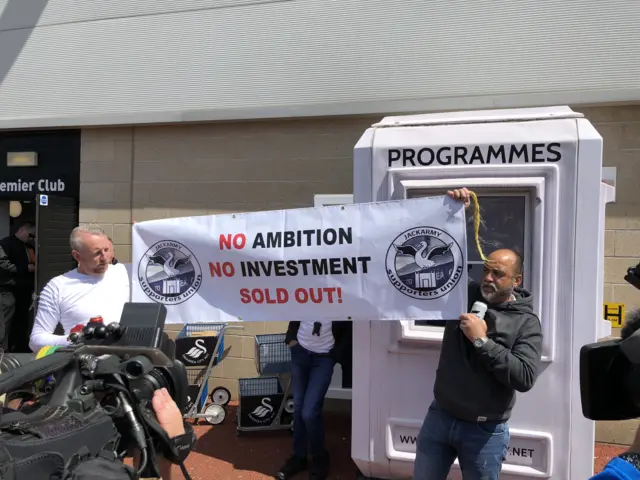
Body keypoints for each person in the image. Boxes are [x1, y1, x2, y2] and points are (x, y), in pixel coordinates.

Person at [413, 187, 544, 480]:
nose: (488, 277)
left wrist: (482, 341)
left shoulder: (527, 323)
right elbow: (441, 256)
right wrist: (453, 211)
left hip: (484, 431)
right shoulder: (464, 294)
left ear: (516, 280)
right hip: (440, 417)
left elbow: (523, 377)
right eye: (486, 270)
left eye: (498, 274)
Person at [29, 225, 130, 352]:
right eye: (97, 253)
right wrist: (77, 337)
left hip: (130, 363)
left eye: (106, 250)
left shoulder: (125, 272)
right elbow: (36, 340)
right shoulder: (58, 286)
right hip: (86, 365)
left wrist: (145, 233)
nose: (105, 258)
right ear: (77, 256)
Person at [276, 319, 352, 480]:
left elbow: (349, 326)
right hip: (300, 353)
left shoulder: (340, 297)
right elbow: (294, 314)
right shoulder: (305, 294)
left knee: (309, 412)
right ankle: (299, 457)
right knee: (298, 409)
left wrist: (335, 354)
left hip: (324, 358)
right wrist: (292, 340)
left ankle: (320, 457)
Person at [0, 221, 36, 351]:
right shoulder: (6, 243)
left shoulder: (27, 246)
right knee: (6, 323)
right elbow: (2, 264)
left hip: (23, 290)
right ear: (21, 230)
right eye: (30, 234)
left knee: (22, 322)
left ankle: (18, 348)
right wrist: (25, 268)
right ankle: (4, 351)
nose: (31, 238)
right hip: (8, 291)